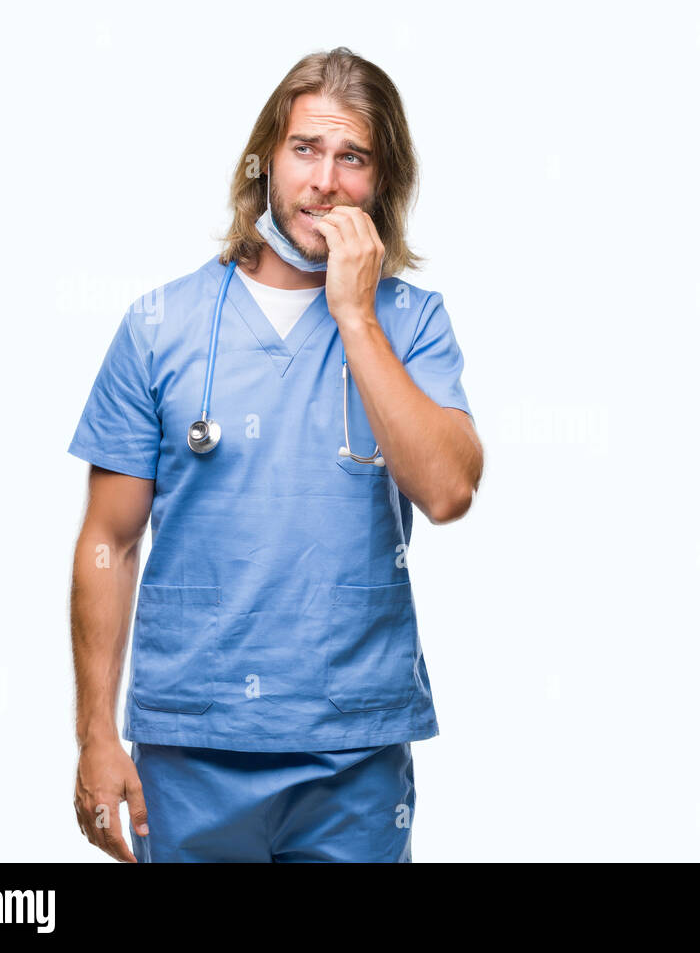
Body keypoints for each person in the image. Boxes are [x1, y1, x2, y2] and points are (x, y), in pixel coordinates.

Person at [67, 47, 483, 862]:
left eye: (352, 157)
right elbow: (108, 541)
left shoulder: (412, 322)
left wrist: (356, 317)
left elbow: (447, 491)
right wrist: (94, 736)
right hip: (188, 752)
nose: (324, 181)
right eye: (304, 150)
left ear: (382, 183)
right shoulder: (161, 325)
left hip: (353, 756)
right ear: (264, 163)